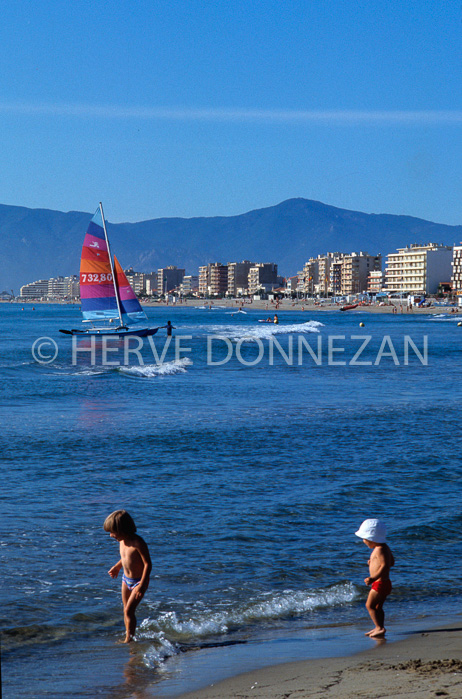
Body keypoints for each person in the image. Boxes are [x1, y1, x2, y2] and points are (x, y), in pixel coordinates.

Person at [103, 510, 152, 643]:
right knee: (125, 610)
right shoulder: (122, 541)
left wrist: (142, 584)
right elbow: (125, 558)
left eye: (113, 532)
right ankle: (129, 634)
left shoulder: (138, 542)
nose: (111, 535)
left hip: (139, 582)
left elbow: (148, 564)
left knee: (129, 611)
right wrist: (117, 566)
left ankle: (128, 640)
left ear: (122, 529)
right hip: (126, 579)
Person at [355, 518, 394, 638]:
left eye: (365, 539)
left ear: (372, 539)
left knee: (369, 605)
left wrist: (373, 578)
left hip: (379, 583)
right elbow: (391, 562)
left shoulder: (379, 550)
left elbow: (385, 566)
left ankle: (379, 628)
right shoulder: (384, 548)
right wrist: (372, 562)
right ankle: (379, 626)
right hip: (385, 583)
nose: (363, 541)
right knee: (378, 607)